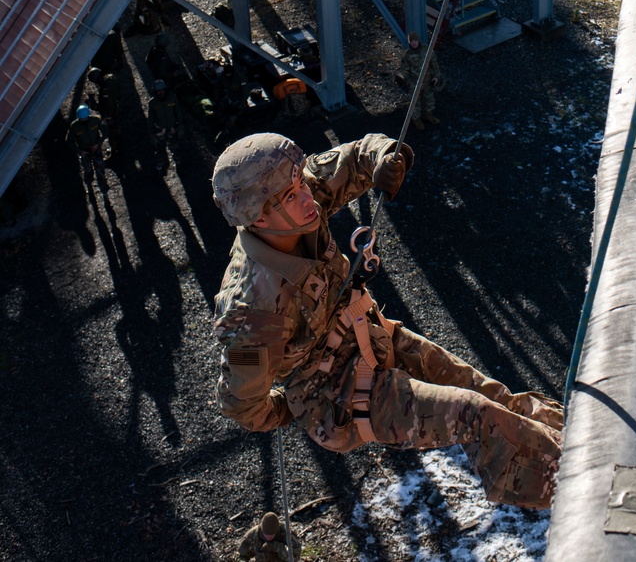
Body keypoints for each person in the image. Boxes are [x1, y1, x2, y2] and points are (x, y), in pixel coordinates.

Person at [212, 134, 562, 508]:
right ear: (259, 217)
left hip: (369, 332)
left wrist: (385, 159)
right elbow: (242, 403)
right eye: (291, 196)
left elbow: (358, 155)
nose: (307, 197)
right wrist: (288, 407)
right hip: (337, 395)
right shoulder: (252, 312)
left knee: (489, 393)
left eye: (301, 185)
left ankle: (579, 434)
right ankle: (575, 487)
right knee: (478, 416)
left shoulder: (295, 199)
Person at [395, 32, 442, 130]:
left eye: (415, 40)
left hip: (428, 81)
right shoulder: (407, 55)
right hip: (414, 84)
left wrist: (436, 77)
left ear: (418, 40)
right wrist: (411, 84)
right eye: (411, 41)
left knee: (429, 100)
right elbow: (404, 72)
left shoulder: (427, 50)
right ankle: (417, 120)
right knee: (415, 103)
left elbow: (434, 64)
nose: (414, 43)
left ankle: (428, 115)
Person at [67, 104, 107, 188]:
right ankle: (89, 184)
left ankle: (103, 186)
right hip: (84, 151)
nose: (84, 120)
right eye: (82, 119)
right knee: (87, 170)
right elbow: (69, 141)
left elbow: (105, 131)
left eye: (85, 118)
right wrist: (80, 151)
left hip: (96, 149)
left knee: (100, 168)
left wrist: (98, 144)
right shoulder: (74, 126)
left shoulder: (96, 120)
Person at [147, 79, 182, 172]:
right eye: (158, 91)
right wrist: (152, 133)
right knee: (160, 151)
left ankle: (179, 166)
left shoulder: (172, 99)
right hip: (160, 130)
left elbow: (179, 114)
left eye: (162, 90)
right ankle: (160, 168)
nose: (160, 93)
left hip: (172, 129)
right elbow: (151, 119)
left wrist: (180, 128)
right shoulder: (152, 103)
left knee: (176, 148)